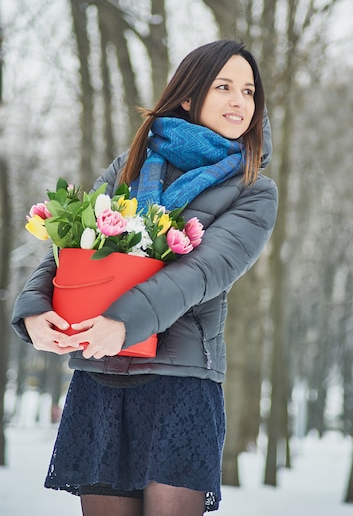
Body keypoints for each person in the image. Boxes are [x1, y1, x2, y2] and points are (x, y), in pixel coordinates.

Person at [12, 39, 278, 516]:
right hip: (99, 376)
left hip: (181, 382)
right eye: (224, 87)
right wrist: (34, 309)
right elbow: (67, 248)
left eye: (249, 91)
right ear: (189, 96)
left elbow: (204, 271)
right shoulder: (129, 167)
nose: (240, 101)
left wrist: (124, 320)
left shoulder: (253, 189)